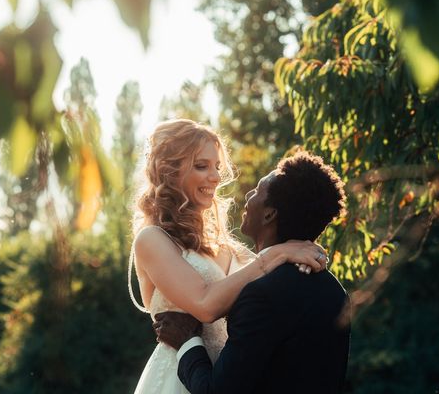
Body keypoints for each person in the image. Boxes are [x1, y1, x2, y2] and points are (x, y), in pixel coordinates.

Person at [129, 120, 329, 394]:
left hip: (223, 379)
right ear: (170, 172)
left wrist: (303, 253)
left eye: (217, 167)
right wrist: (278, 253)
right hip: (175, 380)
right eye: (202, 166)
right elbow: (205, 304)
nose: (215, 177)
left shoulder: (229, 248)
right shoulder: (152, 240)